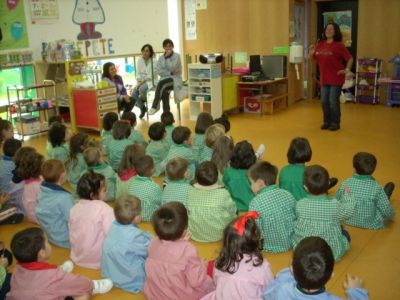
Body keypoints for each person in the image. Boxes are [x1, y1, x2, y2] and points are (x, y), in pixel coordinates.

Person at [7, 227, 113, 299]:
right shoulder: (53, 276)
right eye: (47, 242)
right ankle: (94, 287)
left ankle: (61, 273)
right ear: (42, 253)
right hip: (47, 286)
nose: (49, 244)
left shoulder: (18, 269)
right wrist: (90, 284)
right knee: (83, 293)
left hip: (33, 291)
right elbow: (77, 282)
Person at [144, 202, 215, 299]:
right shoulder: (188, 250)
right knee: (210, 281)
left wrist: (181, 241)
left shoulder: (153, 243)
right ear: (184, 229)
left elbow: (168, 251)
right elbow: (196, 281)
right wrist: (203, 266)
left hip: (156, 294)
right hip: (179, 295)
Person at [263, 236, 369, 300]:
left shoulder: (282, 291)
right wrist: (356, 291)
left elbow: (267, 294)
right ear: (331, 275)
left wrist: (287, 274)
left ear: (292, 270)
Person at [202, 212, 273, 299]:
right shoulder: (262, 266)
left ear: (227, 242)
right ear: (256, 241)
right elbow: (269, 290)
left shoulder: (220, 262)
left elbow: (217, 282)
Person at [293, 165, 356, 261]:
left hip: (303, 250)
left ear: (305, 187)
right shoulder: (334, 205)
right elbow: (348, 211)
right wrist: (347, 197)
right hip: (329, 253)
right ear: (328, 184)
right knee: (345, 234)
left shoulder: (300, 204)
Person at [101, 195, 151, 293]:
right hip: (131, 279)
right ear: (136, 217)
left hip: (110, 273)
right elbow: (148, 249)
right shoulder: (135, 236)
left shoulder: (113, 226)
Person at [309, 22, 353, 131]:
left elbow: (350, 58)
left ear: (335, 32)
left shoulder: (339, 45)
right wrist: (311, 53)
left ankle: (335, 123)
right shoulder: (320, 44)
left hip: (336, 78)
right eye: (327, 29)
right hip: (324, 78)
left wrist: (346, 70)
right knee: (324, 101)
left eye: (331, 29)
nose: (328, 31)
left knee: (333, 101)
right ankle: (326, 121)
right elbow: (315, 58)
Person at [336, 152, 395, 229]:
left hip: (346, 221)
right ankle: (386, 194)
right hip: (371, 224)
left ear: (354, 169)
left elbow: (336, 199)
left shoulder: (346, 183)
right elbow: (386, 210)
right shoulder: (377, 188)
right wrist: (392, 215)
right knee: (382, 200)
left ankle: (386, 194)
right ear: (373, 169)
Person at [69, 171, 115, 269]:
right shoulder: (104, 209)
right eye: (104, 190)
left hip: (77, 255)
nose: (106, 192)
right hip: (97, 259)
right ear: (92, 195)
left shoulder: (75, 208)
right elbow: (112, 233)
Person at [248, 161, 296, 253]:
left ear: (260, 183)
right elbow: (296, 215)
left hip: (268, 246)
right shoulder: (288, 194)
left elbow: (255, 228)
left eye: (251, 182)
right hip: (290, 242)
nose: (250, 186)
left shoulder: (255, 203)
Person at [188, 161, 236, 242]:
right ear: (217, 177)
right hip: (219, 234)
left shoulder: (191, 192)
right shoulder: (223, 193)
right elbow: (232, 210)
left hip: (196, 234)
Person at [35, 159, 75, 248]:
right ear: (62, 174)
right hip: (65, 240)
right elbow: (72, 219)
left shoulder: (42, 191)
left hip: (50, 235)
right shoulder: (65, 197)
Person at [148, 39, 182, 115]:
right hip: (165, 80)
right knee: (164, 90)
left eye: (170, 46)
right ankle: (166, 115)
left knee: (161, 84)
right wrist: (170, 72)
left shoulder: (177, 56)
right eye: (166, 46)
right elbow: (159, 72)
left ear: (173, 47)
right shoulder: (161, 58)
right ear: (164, 48)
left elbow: (173, 67)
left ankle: (155, 106)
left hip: (175, 80)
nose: (168, 48)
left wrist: (167, 58)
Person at [223, 141, 257, 212]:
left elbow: (225, 188)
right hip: (252, 208)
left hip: (234, 209)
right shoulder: (255, 172)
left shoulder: (228, 172)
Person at [127, 155, 162, 221]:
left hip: (135, 215)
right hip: (149, 218)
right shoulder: (154, 186)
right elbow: (160, 201)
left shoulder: (132, 181)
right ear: (151, 170)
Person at [132, 44, 158, 118]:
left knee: (140, 89)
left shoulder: (154, 61)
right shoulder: (139, 60)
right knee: (133, 93)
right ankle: (142, 108)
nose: (145, 53)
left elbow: (150, 76)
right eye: (143, 51)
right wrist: (139, 81)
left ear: (150, 52)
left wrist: (140, 84)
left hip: (151, 81)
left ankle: (140, 102)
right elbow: (138, 73)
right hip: (141, 82)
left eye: (147, 51)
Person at [18, 149, 44, 224]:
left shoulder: (29, 179)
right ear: (37, 169)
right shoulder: (36, 185)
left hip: (32, 213)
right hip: (37, 216)